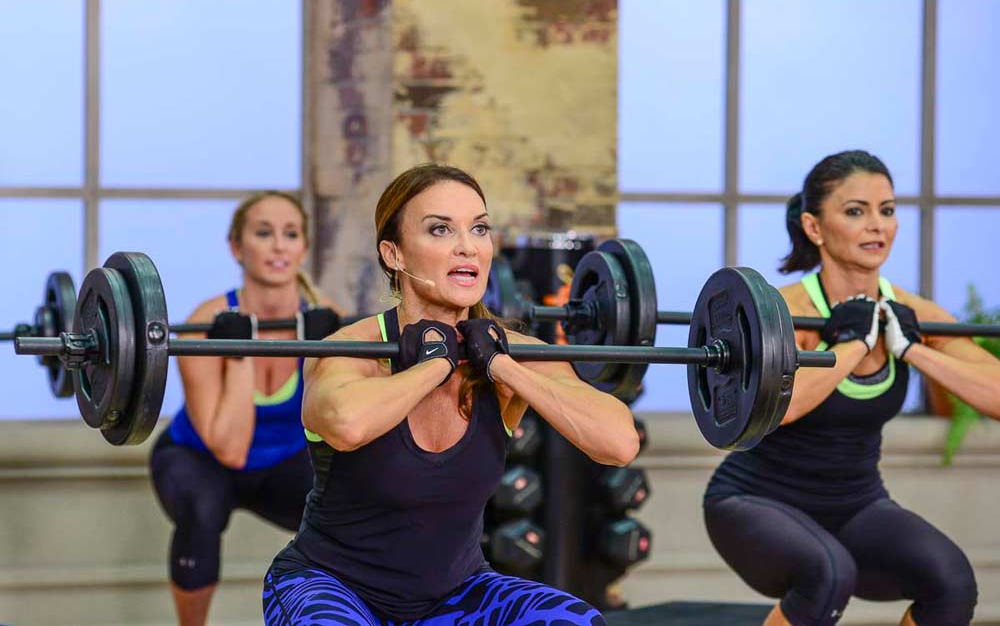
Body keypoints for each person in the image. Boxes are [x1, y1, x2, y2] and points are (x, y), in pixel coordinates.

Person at [261, 163, 640, 626]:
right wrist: (436, 364)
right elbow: (345, 423)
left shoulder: (514, 354)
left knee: (577, 621)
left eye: (478, 228)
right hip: (331, 584)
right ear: (394, 254)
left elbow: (619, 443)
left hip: (455, 595)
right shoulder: (349, 349)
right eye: (440, 229)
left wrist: (499, 365)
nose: (467, 245)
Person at [704, 150, 1000, 626]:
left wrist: (913, 351)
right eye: (855, 211)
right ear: (814, 227)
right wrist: (852, 346)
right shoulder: (786, 311)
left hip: (856, 503)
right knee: (827, 575)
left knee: (951, 582)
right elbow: (778, 408)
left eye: (886, 210)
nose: (876, 226)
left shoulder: (912, 312)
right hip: (754, 499)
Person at [150, 191, 343, 626]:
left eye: (290, 234)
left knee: (349, 517)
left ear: (303, 248)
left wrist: (325, 352)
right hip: (199, 457)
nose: (278, 246)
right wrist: (239, 353)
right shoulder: (204, 328)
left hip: (285, 461)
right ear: (237, 247)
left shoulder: (329, 322)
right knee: (201, 511)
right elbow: (231, 451)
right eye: (263, 233)